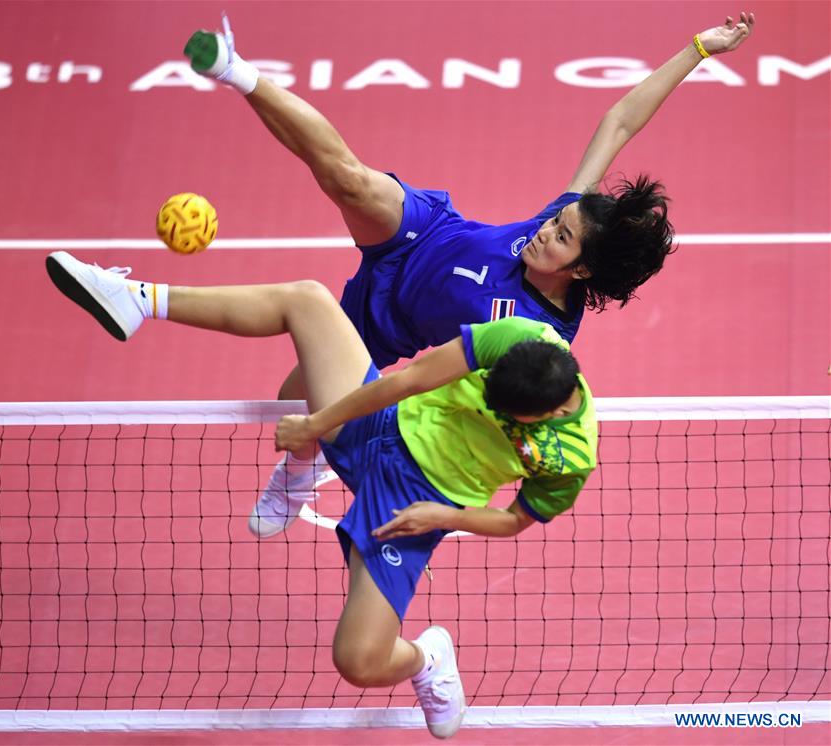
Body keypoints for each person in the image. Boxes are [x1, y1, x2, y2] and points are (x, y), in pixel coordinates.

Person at [181, 11, 756, 536]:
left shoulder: (535, 339)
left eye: (559, 237)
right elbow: (620, 122)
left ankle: (298, 471)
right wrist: (699, 49)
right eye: (554, 219)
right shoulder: (563, 226)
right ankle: (234, 69)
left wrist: (441, 494)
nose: (544, 230)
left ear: (580, 269)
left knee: (295, 400)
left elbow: (478, 408)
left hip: (385, 323)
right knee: (348, 179)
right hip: (423, 231)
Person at [45, 249, 599, 738]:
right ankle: (139, 298)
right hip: (381, 423)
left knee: (358, 661)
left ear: (551, 411)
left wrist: (446, 514)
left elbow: (514, 521)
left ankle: (427, 658)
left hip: (413, 500)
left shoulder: (569, 458)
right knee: (308, 300)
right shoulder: (520, 339)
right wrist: (316, 427)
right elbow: (407, 379)